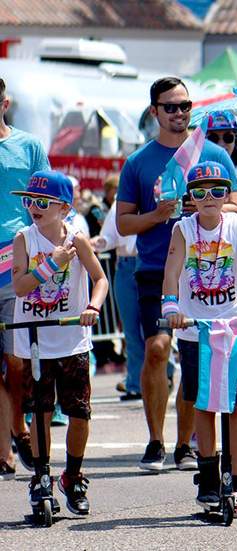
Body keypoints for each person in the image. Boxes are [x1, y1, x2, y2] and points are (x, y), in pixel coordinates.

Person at [116, 76, 237, 471]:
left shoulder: (215, 155)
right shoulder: (138, 162)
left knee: (193, 358)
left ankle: (185, 444)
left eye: (186, 105)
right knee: (157, 350)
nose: (180, 113)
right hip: (155, 268)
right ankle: (155, 440)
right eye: (170, 107)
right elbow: (122, 224)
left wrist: (205, 210)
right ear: (154, 111)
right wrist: (157, 215)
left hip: (206, 272)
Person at [162, 161, 237, 519]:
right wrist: (170, 306)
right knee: (203, 403)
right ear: (191, 199)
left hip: (232, 326)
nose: (208, 198)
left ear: (227, 195)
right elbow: (172, 270)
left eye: (216, 191)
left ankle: (236, 482)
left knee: (236, 404)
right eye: (199, 192)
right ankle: (210, 477)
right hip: (195, 329)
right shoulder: (183, 230)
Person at [11, 170, 108, 515]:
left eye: (41, 202)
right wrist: (53, 263)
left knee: (79, 412)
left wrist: (93, 306)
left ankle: (74, 474)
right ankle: (41, 476)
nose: (33, 208)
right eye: (28, 201)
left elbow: (100, 279)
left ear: (64, 208)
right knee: (39, 412)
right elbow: (21, 286)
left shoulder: (77, 239)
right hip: (36, 340)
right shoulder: (24, 239)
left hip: (72, 340)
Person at [0, 76, 51, 479]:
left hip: (17, 261)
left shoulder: (29, 146)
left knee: (17, 360)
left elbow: (47, 200)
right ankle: (6, 446)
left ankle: (20, 427)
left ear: (6, 102)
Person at [92, 175, 144, 401]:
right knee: (131, 329)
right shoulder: (119, 203)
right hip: (124, 265)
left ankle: (162, 372)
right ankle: (135, 382)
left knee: (151, 329)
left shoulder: (155, 197)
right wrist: (94, 243)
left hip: (148, 264)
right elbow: (109, 238)